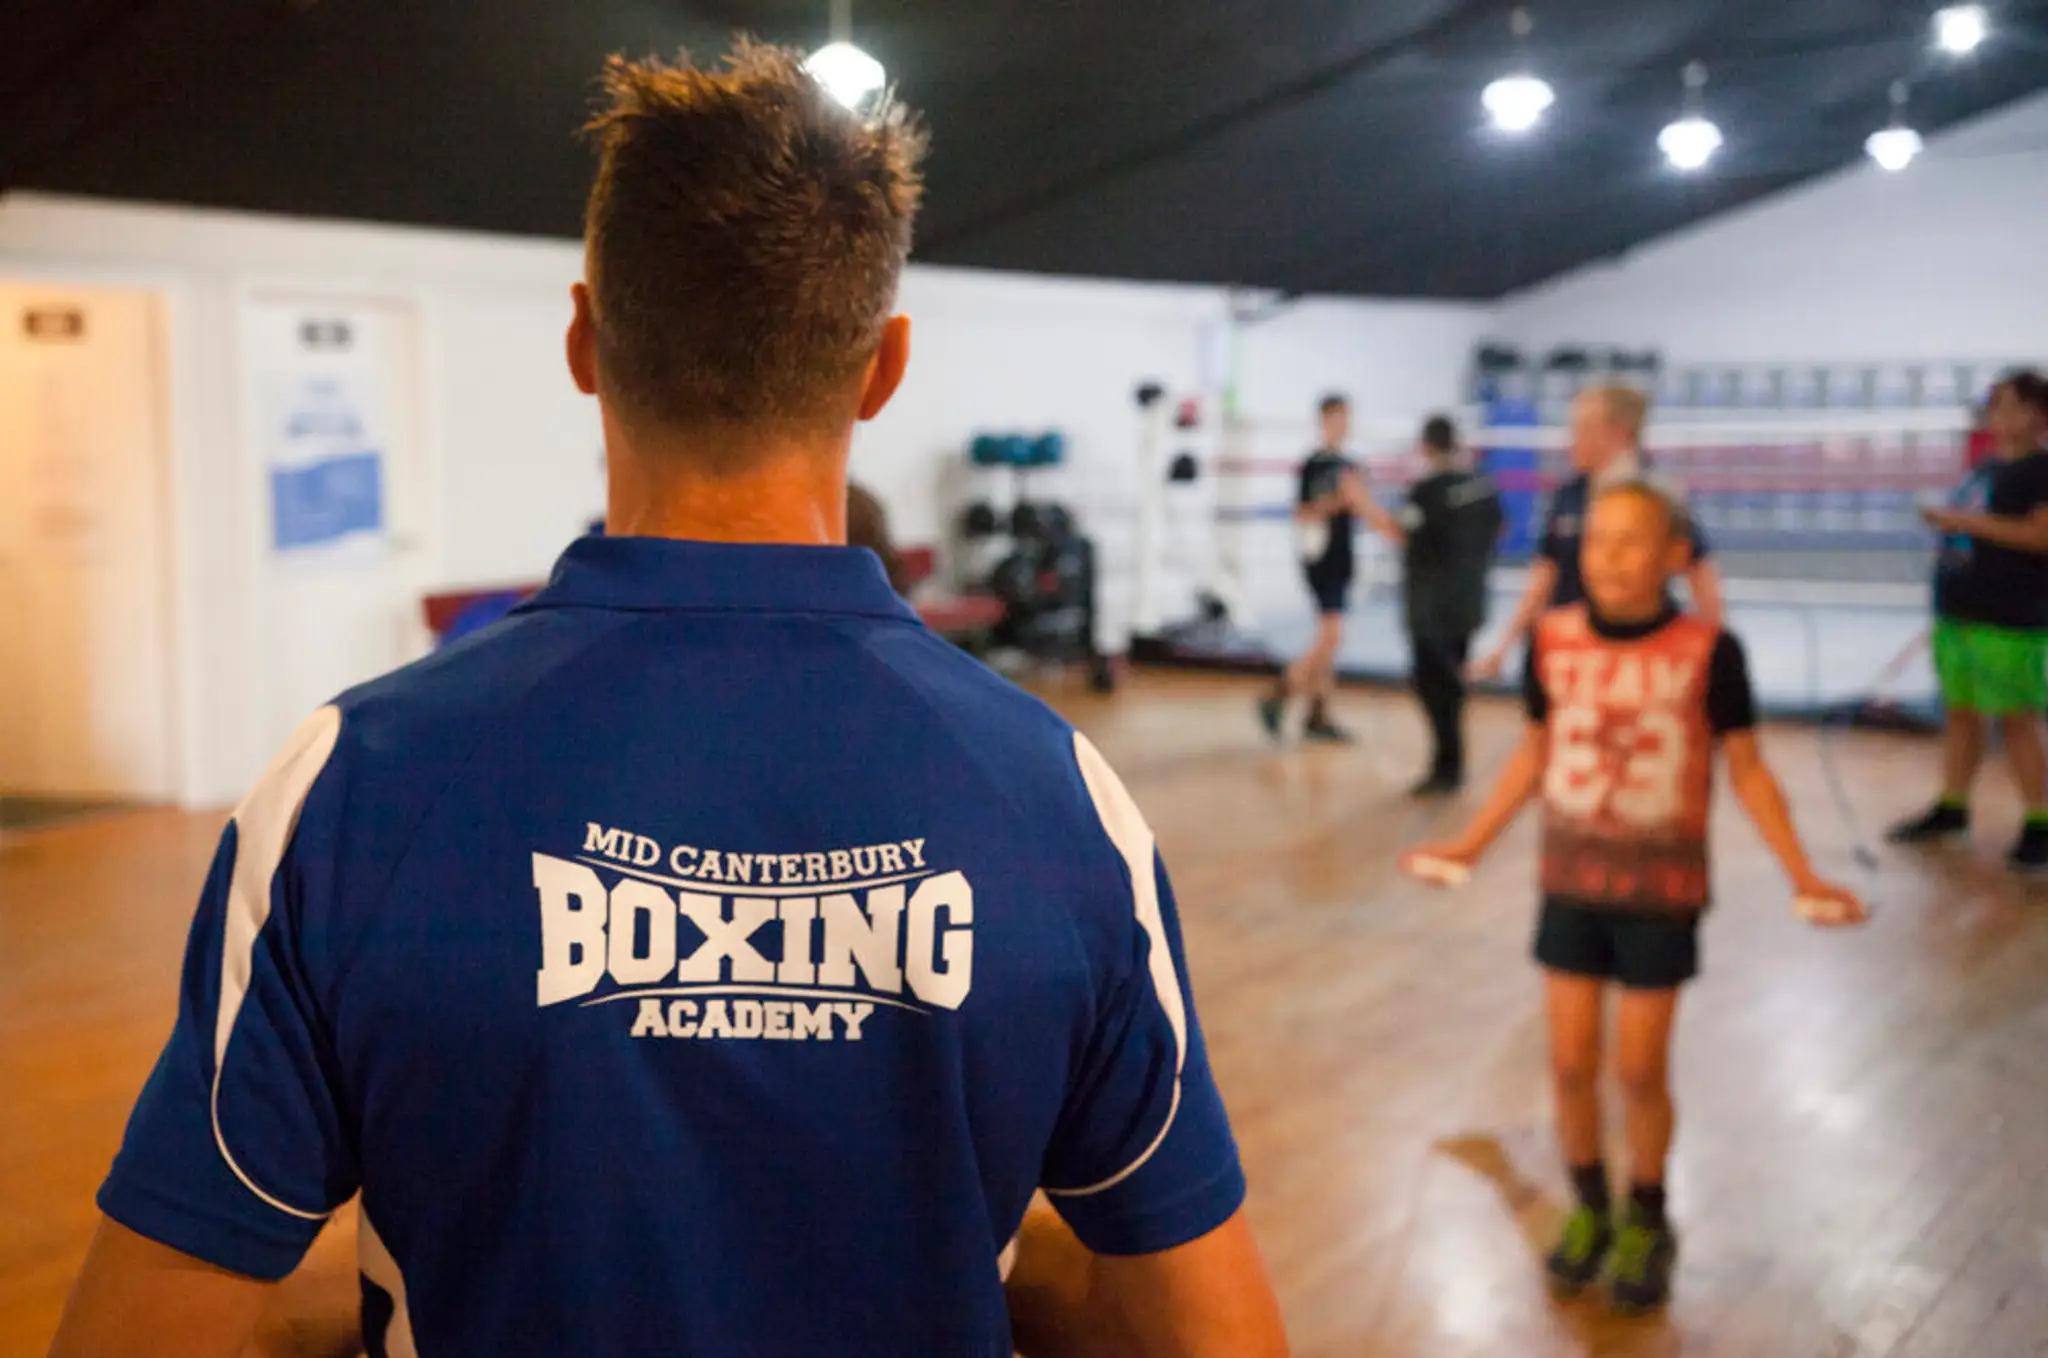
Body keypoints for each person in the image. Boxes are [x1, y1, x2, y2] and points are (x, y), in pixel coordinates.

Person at [51, 45, 1288, 1358]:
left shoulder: (350, 783)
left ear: (584, 341)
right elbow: (1216, 1336)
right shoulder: (1059, 800)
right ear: (883, 368)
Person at [1401, 480, 1864, 1315]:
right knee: (1569, 1064)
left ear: (1676, 556)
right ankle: (1590, 1207)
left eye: (1630, 541)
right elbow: (1535, 753)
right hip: (1570, 889)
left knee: (1641, 1069)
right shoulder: (1553, 639)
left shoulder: (1711, 652)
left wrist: (1804, 874)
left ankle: (1647, 1216)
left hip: (1661, 894)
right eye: (1596, 540)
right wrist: (1470, 843)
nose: (1608, 557)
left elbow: (1749, 773)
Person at [1887, 369, 2048, 873]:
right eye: (1995, 405)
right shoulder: (1985, 468)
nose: (2001, 416)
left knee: (2016, 720)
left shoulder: (2040, 471)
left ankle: (2040, 822)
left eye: (2013, 406)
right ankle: (1952, 806)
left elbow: (2040, 536)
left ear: (2039, 415)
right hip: (1959, 615)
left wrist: (1962, 521)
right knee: (1961, 713)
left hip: (2008, 621)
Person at [1470, 385, 1722, 681]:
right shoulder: (1569, 495)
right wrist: (1504, 648)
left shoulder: (1656, 499)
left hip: (1636, 659)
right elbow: (1543, 575)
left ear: (1620, 433)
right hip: (1570, 657)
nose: (1573, 440)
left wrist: (1714, 653)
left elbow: (1700, 571)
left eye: (1584, 428)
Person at [1258, 393, 1403, 743]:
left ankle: (1318, 714)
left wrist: (1386, 525)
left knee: (1330, 639)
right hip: (1321, 559)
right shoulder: (1315, 465)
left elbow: (1367, 508)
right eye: (1337, 418)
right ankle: (1281, 690)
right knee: (1332, 636)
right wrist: (1339, 501)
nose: (1342, 425)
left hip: (1341, 557)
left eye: (1346, 418)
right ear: (1323, 421)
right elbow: (1304, 513)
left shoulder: (1351, 465)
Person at [1400, 415, 1503, 795]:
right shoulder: (1482, 486)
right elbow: (1500, 529)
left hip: (1433, 608)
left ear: (1426, 447)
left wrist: (1362, 505)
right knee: (1452, 680)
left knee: (1433, 681)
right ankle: (1450, 763)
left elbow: (1405, 535)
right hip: (1469, 600)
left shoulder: (1426, 491)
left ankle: (1447, 765)